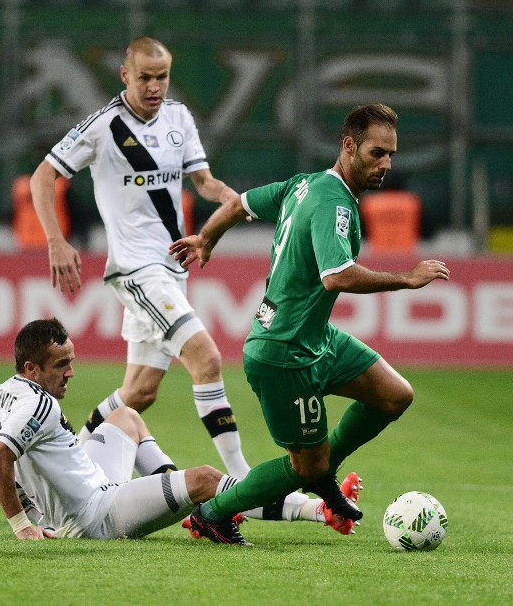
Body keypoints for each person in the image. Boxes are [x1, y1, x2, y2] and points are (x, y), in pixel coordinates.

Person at [29, 36, 324, 524]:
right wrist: (56, 241)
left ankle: (78, 449)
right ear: (125, 75)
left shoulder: (179, 119)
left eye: (161, 77)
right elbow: (43, 175)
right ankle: (244, 483)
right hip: (135, 270)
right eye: (144, 77)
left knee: (141, 392)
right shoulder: (103, 126)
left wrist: (232, 200)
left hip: (171, 268)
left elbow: (202, 180)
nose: (154, 86)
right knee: (206, 357)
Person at [170, 103, 451, 545]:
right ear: (348, 146)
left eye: (391, 155)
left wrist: (207, 238)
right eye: (377, 153)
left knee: (395, 395)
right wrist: (406, 278)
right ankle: (212, 514)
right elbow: (336, 275)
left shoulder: (303, 185)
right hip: (284, 352)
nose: (386, 165)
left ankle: (324, 473)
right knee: (304, 467)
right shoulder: (333, 202)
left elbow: (238, 203)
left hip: (316, 338)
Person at [0, 318, 246, 541]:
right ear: (32, 368)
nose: (71, 373)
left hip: (93, 488)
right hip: (97, 516)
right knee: (205, 479)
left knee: (126, 415)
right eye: (61, 365)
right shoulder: (39, 404)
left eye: (71, 362)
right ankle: (278, 501)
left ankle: (191, 507)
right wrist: (21, 527)